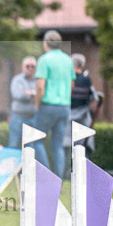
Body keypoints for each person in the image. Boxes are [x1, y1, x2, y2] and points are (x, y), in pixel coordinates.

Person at [32, 30, 74, 178]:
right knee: (58, 146)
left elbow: (40, 86)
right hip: (64, 107)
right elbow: (72, 84)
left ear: (46, 43)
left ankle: (48, 178)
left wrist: (37, 103)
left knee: (36, 140)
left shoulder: (44, 59)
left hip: (48, 105)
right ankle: (59, 181)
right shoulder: (68, 60)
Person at [63, 53, 102, 160]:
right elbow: (92, 96)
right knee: (83, 145)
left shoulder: (66, 80)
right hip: (83, 117)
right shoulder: (86, 80)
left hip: (67, 117)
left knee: (66, 146)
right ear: (82, 65)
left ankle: (64, 172)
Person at [8, 56, 36, 148]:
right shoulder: (17, 80)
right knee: (14, 144)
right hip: (18, 116)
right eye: (28, 66)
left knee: (30, 147)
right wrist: (34, 94)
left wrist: (29, 93)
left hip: (32, 118)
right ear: (23, 67)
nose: (30, 68)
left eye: (33, 66)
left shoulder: (38, 80)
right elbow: (18, 95)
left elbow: (42, 96)